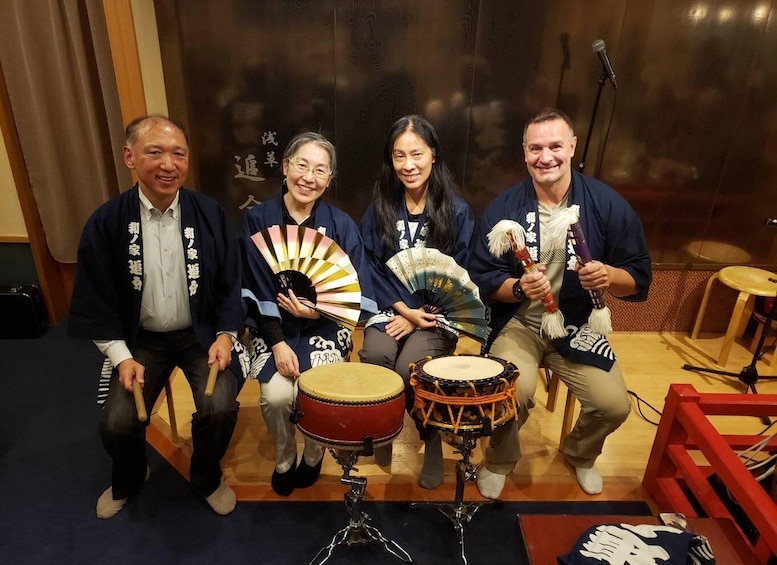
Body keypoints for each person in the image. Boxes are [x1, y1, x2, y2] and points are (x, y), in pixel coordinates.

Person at [468, 108, 652, 499]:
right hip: (517, 323)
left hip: (578, 323)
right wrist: (518, 287)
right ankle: (500, 459)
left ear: (572, 147)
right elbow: (482, 280)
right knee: (511, 392)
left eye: (555, 146)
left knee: (614, 405)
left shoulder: (605, 203)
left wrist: (608, 276)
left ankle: (579, 453)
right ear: (524, 153)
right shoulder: (504, 209)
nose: (545, 156)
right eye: (536, 148)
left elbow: (638, 275)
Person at [69, 115, 245, 519]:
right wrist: (121, 357)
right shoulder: (107, 222)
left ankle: (205, 477)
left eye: (178, 154)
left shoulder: (209, 214)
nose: (169, 164)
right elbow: (96, 300)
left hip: (199, 335)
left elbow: (229, 284)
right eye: (155, 152)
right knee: (116, 422)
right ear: (130, 157)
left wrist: (226, 335)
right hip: (141, 340)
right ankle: (130, 477)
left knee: (219, 404)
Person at [241, 131, 377, 497]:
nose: (308, 177)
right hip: (273, 327)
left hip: (327, 326)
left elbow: (355, 293)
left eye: (320, 170)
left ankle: (313, 455)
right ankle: (285, 457)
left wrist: (318, 312)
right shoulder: (258, 220)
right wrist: (278, 344)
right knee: (277, 397)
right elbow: (253, 285)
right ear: (285, 167)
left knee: (315, 391)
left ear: (329, 179)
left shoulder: (341, 225)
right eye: (301, 165)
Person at [358, 114, 475, 489]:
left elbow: (459, 274)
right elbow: (370, 267)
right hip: (391, 308)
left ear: (434, 155)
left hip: (438, 313)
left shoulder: (455, 211)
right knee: (376, 356)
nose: (408, 165)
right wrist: (403, 310)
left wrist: (418, 315)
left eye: (416, 154)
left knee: (413, 366)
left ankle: (432, 440)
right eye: (398, 156)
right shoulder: (380, 208)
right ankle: (383, 430)